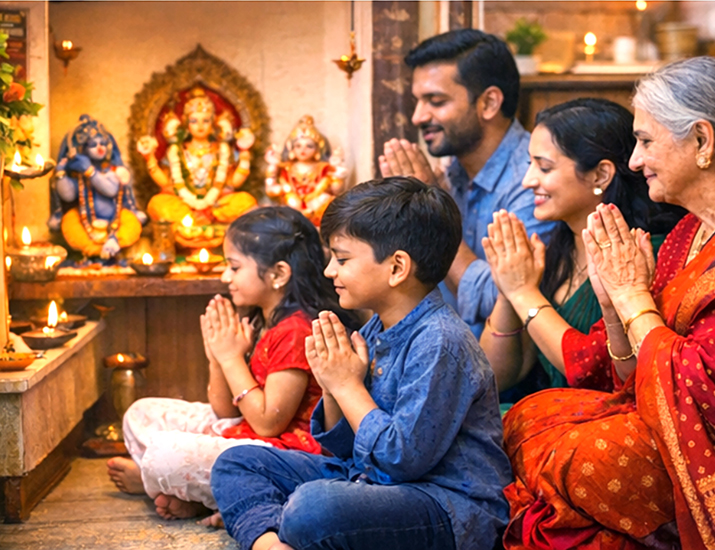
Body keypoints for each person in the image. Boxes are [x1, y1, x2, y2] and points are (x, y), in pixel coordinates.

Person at [503, 56, 715, 550]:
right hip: (671, 429)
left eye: (645, 141)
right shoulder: (690, 227)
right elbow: (635, 380)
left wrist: (632, 299)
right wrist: (613, 303)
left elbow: (700, 391)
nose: (633, 161)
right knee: (532, 415)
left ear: (702, 142)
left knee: (578, 461)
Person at [211, 177, 511, 550]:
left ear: (397, 267)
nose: (329, 272)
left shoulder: (440, 341)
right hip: (368, 480)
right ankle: (270, 544)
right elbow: (343, 449)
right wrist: (334, 387)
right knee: (236, 464)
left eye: (342, 259)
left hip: (443, 503)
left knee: (314, 507)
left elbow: (402, 460)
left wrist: (347, 385)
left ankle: (269, 524)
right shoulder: (374, 329)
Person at [107, 206, 357, 524]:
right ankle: (204, 496)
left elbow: (269, 422)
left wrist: (230, 358)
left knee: (165, 456)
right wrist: (218, 359)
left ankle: (161, 483)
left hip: (288, 454)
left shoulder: (296, 330)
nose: (226, 277)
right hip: (249, 430)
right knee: (140, 414)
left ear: (279, 274)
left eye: (234, 267)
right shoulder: (261, 320)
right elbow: (227, 411)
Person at [479, 98, 685, 403]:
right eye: (529, 164)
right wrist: (508, 288)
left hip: (604, 425)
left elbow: (594, 371)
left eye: (544, 167)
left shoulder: (643, 253)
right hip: (549, 416)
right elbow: (496, 375)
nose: (527, 181)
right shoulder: (554, 251)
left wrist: (524, 293)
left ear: (601, 175)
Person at [378, 29, 555, 337]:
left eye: (436, 101)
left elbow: (503, 299)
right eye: (418, 101)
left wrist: (432, 219)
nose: (419, 116)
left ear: (488, 103)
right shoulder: (453, 171)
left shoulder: (533, 179)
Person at [138, 87, 257, 237]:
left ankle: (197, 230)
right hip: (184, 207)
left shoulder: (223, 150)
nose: (200, 126)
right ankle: (204, 230)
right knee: (157, 203)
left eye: (205, 121)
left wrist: (245, 155)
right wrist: (150, 159)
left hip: (217, 206)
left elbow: (233, 182)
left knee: (246, 201)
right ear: (186, 123)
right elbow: (166, 183)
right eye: (194, 121)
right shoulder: (176, 151)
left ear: (213, 123)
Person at [50, 114, 145, 259]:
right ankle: (94, 250)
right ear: (84, 149)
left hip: (116, 218)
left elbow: (111, 190)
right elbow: (68, 195)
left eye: (102, 144)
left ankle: (114, 244)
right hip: (87, 221)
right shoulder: (80, 174)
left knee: (131, 224)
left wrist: (90, 171)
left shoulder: (113, 169)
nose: (99, 148)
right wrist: (61, 174)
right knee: (69, 221)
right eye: (93, 145)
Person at [264, 115, 348, 226]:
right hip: (293, 208)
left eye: (309, 146)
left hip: (317, 208)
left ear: (317, 149)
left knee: (326, 200)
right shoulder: (286, 167)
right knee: (290, 203)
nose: (303, 150)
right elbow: (271, 190)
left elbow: (337, 191)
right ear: (292, 148)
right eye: (298, 146)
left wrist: (338, 176)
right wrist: (273, 167)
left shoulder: (323, 167)